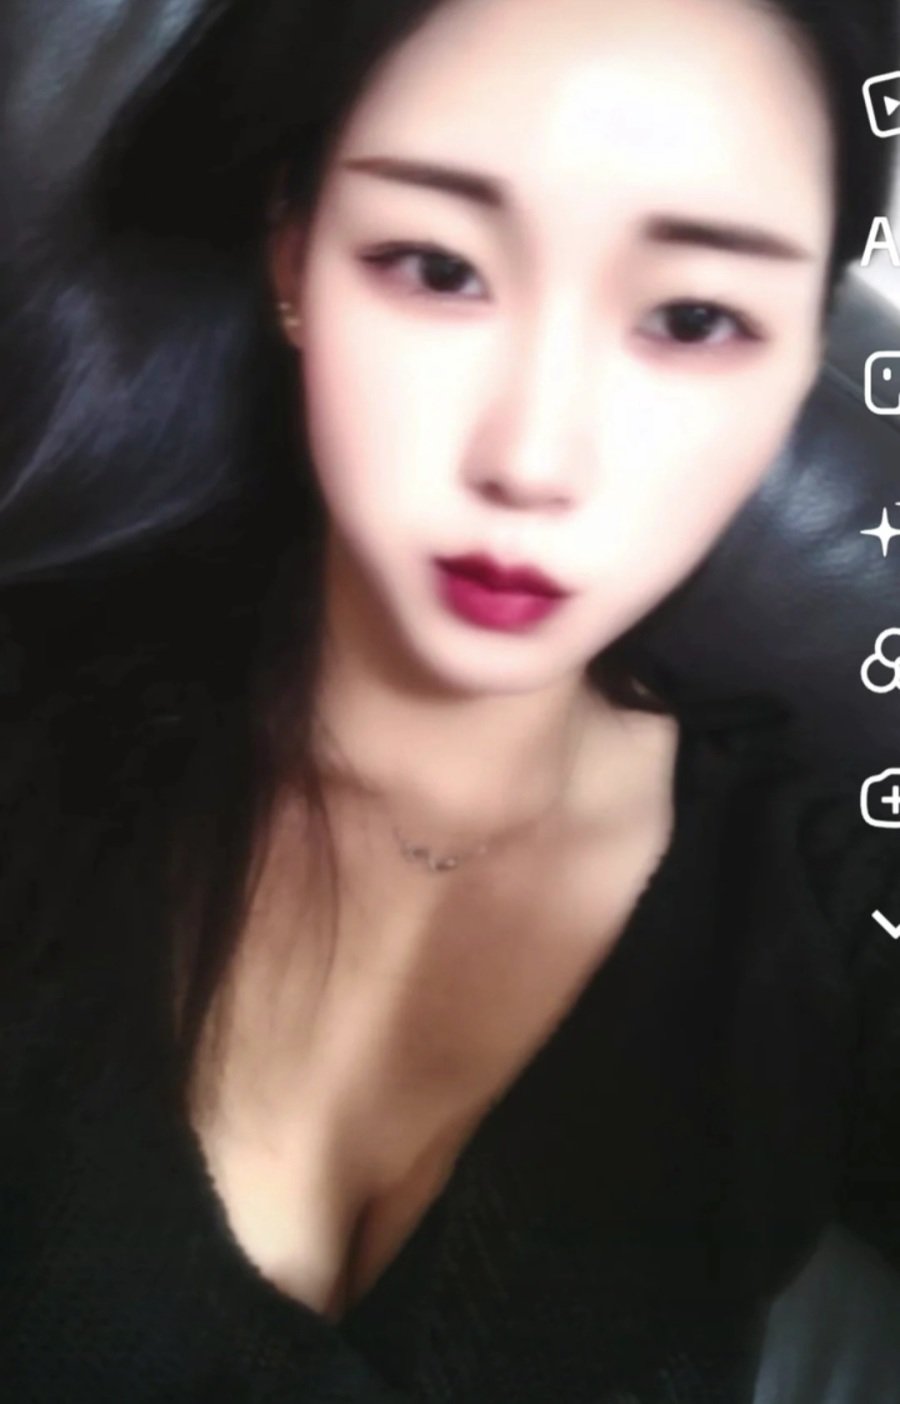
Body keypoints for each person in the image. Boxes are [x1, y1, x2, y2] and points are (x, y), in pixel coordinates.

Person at [1, 0, 899, 1398]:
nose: (533, 459)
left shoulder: (833, 904)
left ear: (799, 365)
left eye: (694, 318)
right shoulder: (36, 727)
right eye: (436, 267)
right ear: (293, 252)